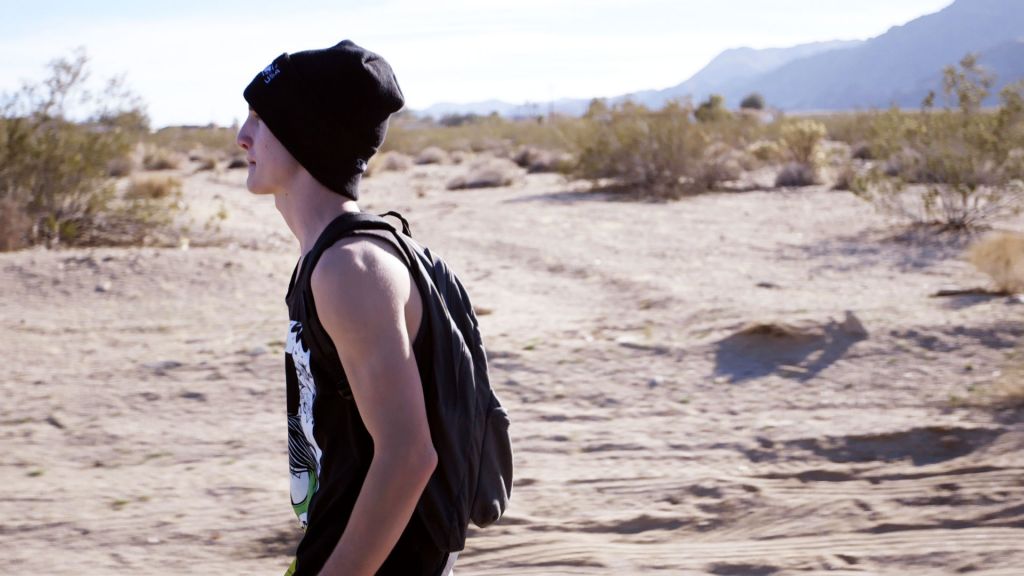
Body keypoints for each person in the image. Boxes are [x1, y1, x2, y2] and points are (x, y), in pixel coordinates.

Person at [237, 40, 458, 576]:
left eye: (262, 120)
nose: (242, 135)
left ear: (308, 135)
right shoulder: (326, 259)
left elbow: (409, 456)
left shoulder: (350, 270)